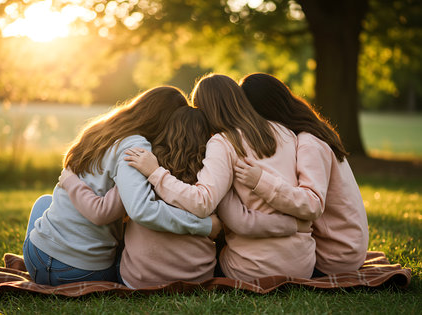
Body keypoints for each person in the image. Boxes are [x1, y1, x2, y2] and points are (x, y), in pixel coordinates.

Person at [59, 106, 307, 287]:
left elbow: (128, 211)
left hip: (138, 279)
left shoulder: (145, 165)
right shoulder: (212, 174)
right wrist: (294, 224)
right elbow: (235, 221)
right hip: (197, 278)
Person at [125, 74, 318, 282]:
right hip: (303, 267)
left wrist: (156, 173)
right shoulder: (286, 133)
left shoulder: (223, 142)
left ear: (206, 111)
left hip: (251, 270)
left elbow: (202, 202)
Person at [22, 86, 221, 286]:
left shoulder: (101, 131)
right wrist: (204, 226)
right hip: (81, 272)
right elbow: (139, 210)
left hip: (36, 260)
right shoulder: (137, 149)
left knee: (44, 202)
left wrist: (69, 181)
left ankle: (45, 249)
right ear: (165, 121)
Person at [238, 72, 369, 276]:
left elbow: (312, 203)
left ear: (261, 111)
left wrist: (259, 181)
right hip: (347, 246)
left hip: (336, 256)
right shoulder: (311, 132)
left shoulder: (310, 143)